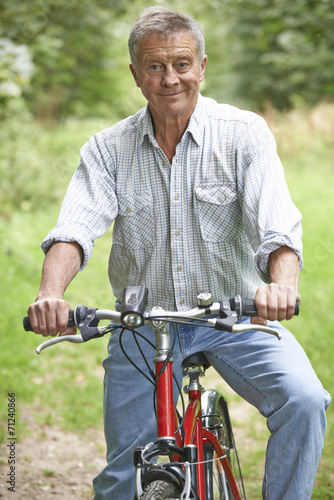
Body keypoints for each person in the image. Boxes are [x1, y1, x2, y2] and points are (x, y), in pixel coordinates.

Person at [27, 6, 330, 500]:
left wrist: (283, 287)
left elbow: (277, 230)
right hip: (142, 324)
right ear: (135, 74)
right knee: (125, 480)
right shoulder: (106, 150)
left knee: (305, 400)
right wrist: (50, 293)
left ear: (202, 67)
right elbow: (74, 230)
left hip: (235, 317)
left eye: (182, 64)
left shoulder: (244, 134)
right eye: (155, 66)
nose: (171, 78)